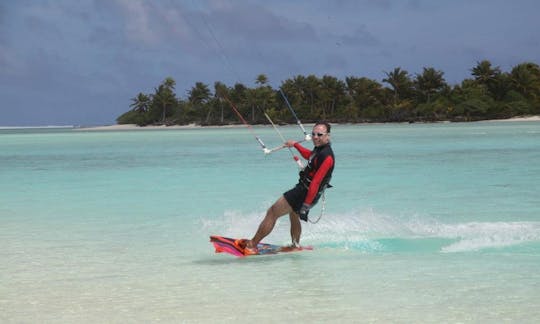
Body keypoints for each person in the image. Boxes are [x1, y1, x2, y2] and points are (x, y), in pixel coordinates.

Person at [239, 121, 335, 255]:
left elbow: (316, 183)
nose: (315, 137)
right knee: (293, 214)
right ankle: (295, 245)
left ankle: (252, 245)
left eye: (319, 134)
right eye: (313, 134)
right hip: (306, 191)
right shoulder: (319, 149)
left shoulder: (327, 156)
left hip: (305, 192)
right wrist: (295, 145)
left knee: (272, 212)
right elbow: (310, 156)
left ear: (327, 136)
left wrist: (306, 206)